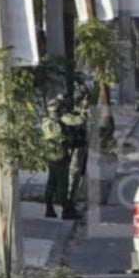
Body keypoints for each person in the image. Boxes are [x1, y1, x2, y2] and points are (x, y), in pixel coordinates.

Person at [63, 92, 90, 220]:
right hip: (72, 153)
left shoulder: (72, 113)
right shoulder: (65, 117)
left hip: (79, 150)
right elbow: (80, 120)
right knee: (72, 180)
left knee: (76, 179)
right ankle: (68, 207)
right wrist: (84, 109)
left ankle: (72, 205)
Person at [41, 97, 69, 219]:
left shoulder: (47, 122)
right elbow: (61, 139)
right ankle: (66, 209)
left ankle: (50, 208)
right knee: (62, 184)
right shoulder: (54, 124)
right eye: (61, 109)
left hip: (52, 156)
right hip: (59, 156)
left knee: (51, 183)